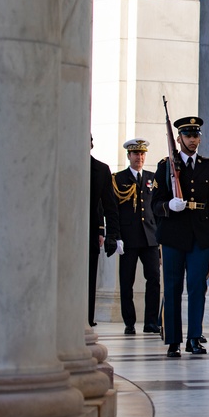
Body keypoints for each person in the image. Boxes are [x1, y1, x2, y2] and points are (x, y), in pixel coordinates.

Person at [152, 117, 209, 358]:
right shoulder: (165, 166)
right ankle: (173, 340)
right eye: (188, 136)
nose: (193, 140)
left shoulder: (208, 166)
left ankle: (194, 338)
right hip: (173, 234)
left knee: (197, 288)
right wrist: (169, 205)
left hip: (200, 234)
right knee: (172, 287)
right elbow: (154, 204)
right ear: (178, 139)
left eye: (196, 135)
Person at [111, 138, 161, 335]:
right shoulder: (118, 179)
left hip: (150, 238)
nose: (139, 157)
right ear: (129, 156)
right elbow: (113, 210)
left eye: (142, 154)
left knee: (154, 280)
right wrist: (115, 236)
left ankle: (150, 322)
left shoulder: (152, 178)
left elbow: (156, 209)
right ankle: (129, 322)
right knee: (126, 282)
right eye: (135, 154)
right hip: (129, 238)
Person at [89, 135, 119, 327]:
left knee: (90, 278)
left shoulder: (101, 170)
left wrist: (112, 235)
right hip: (63, 232)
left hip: (89, 232)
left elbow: (109, 205)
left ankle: (87, 317)